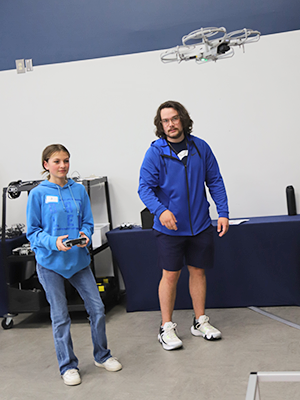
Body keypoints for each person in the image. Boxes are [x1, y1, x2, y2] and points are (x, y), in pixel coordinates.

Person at [26, 144, 122, 385]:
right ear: (46, 165)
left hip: (78, 261)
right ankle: (68, 366)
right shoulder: (38, 194)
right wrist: (53, 242)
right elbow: (33, 232)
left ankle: (102, 355)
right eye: (57, 161)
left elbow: (88, 222)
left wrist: (85, 234)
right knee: (60, 317)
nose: (63, 165)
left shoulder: (78, 190)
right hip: (50, 264)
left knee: (97, 309)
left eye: (66, 160)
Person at [138, 101, 229, 351]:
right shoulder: (156, 152)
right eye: (165, 121)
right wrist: (161, 211)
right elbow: (144, 188)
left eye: (175, 119)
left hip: (199, 224)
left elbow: (215, 181)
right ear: (160, 125)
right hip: (170, 229)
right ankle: (166, 326)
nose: (171, 124)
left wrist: (223, 212)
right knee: (170, 275)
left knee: (198, 272)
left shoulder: (201, 147)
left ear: (183, 120)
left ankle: (200, 321)